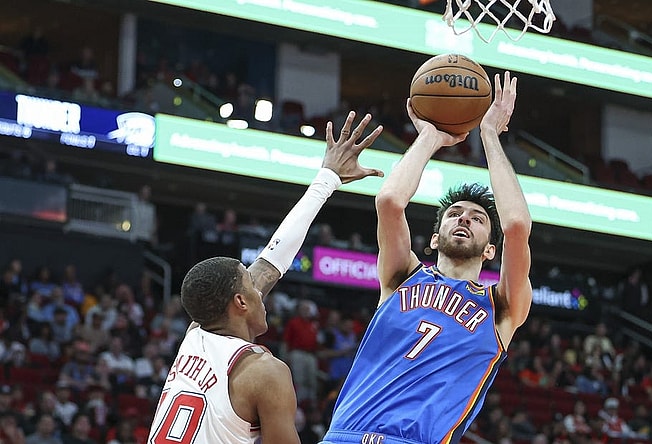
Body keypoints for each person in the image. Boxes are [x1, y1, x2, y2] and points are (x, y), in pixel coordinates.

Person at [321, 71, 534, 444]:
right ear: (434, 239)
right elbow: (389, 202)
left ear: (490, 250)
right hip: (345, 435)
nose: (464, 217)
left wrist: (488, 136)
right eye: (454, 214)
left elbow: (516, 224)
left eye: (478, 218)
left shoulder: (501, 307)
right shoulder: (401, 277)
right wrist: (429, 138)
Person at [146, 110, 383, 444]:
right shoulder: (265, 372)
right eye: (250, 285)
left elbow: (271, 262)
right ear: (240, 302)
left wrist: (328, 178)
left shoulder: (197, 334)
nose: (261, 289)